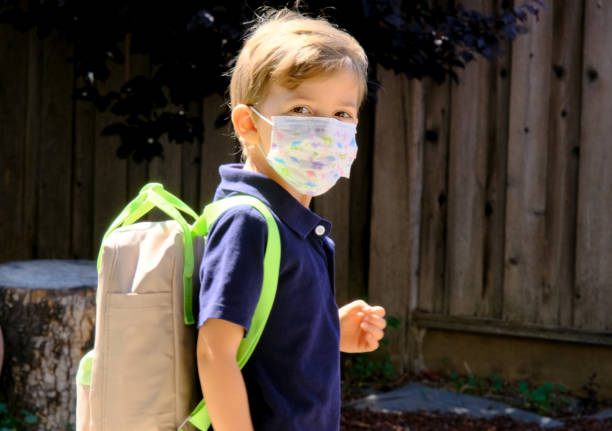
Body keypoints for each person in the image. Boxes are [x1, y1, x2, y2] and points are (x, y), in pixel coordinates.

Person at [196, 7, 387, 431]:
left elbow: (264, 342)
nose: (324, 128)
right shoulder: (249, 222)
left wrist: (330, 332)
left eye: (341, 115)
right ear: (248, 124)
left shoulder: (294, 227)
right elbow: (215, 352)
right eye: (301, 110)